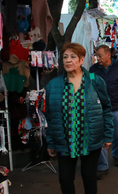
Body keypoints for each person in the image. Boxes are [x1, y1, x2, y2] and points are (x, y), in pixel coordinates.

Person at [45, 43, 114, 194]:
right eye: (65, 57)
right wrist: (50, 142)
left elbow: (106, 109)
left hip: (90, 140)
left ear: (81, 60)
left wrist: (108, 135)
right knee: (65, 179)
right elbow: (50, 116)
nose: (68, 60)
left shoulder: (94, 81)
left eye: (72, 57)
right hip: (65, 142)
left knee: (89, 178)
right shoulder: (53, 85)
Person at [89, 45, 118, 180]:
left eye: (100, 56)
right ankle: (103, 166)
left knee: (116, 136)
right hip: (99, 108)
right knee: (101, 137)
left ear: (108, 54)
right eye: (96, 56)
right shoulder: (93, 69)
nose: (98, 59)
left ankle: (116, 154)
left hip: (117, 106)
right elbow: (90, 86)